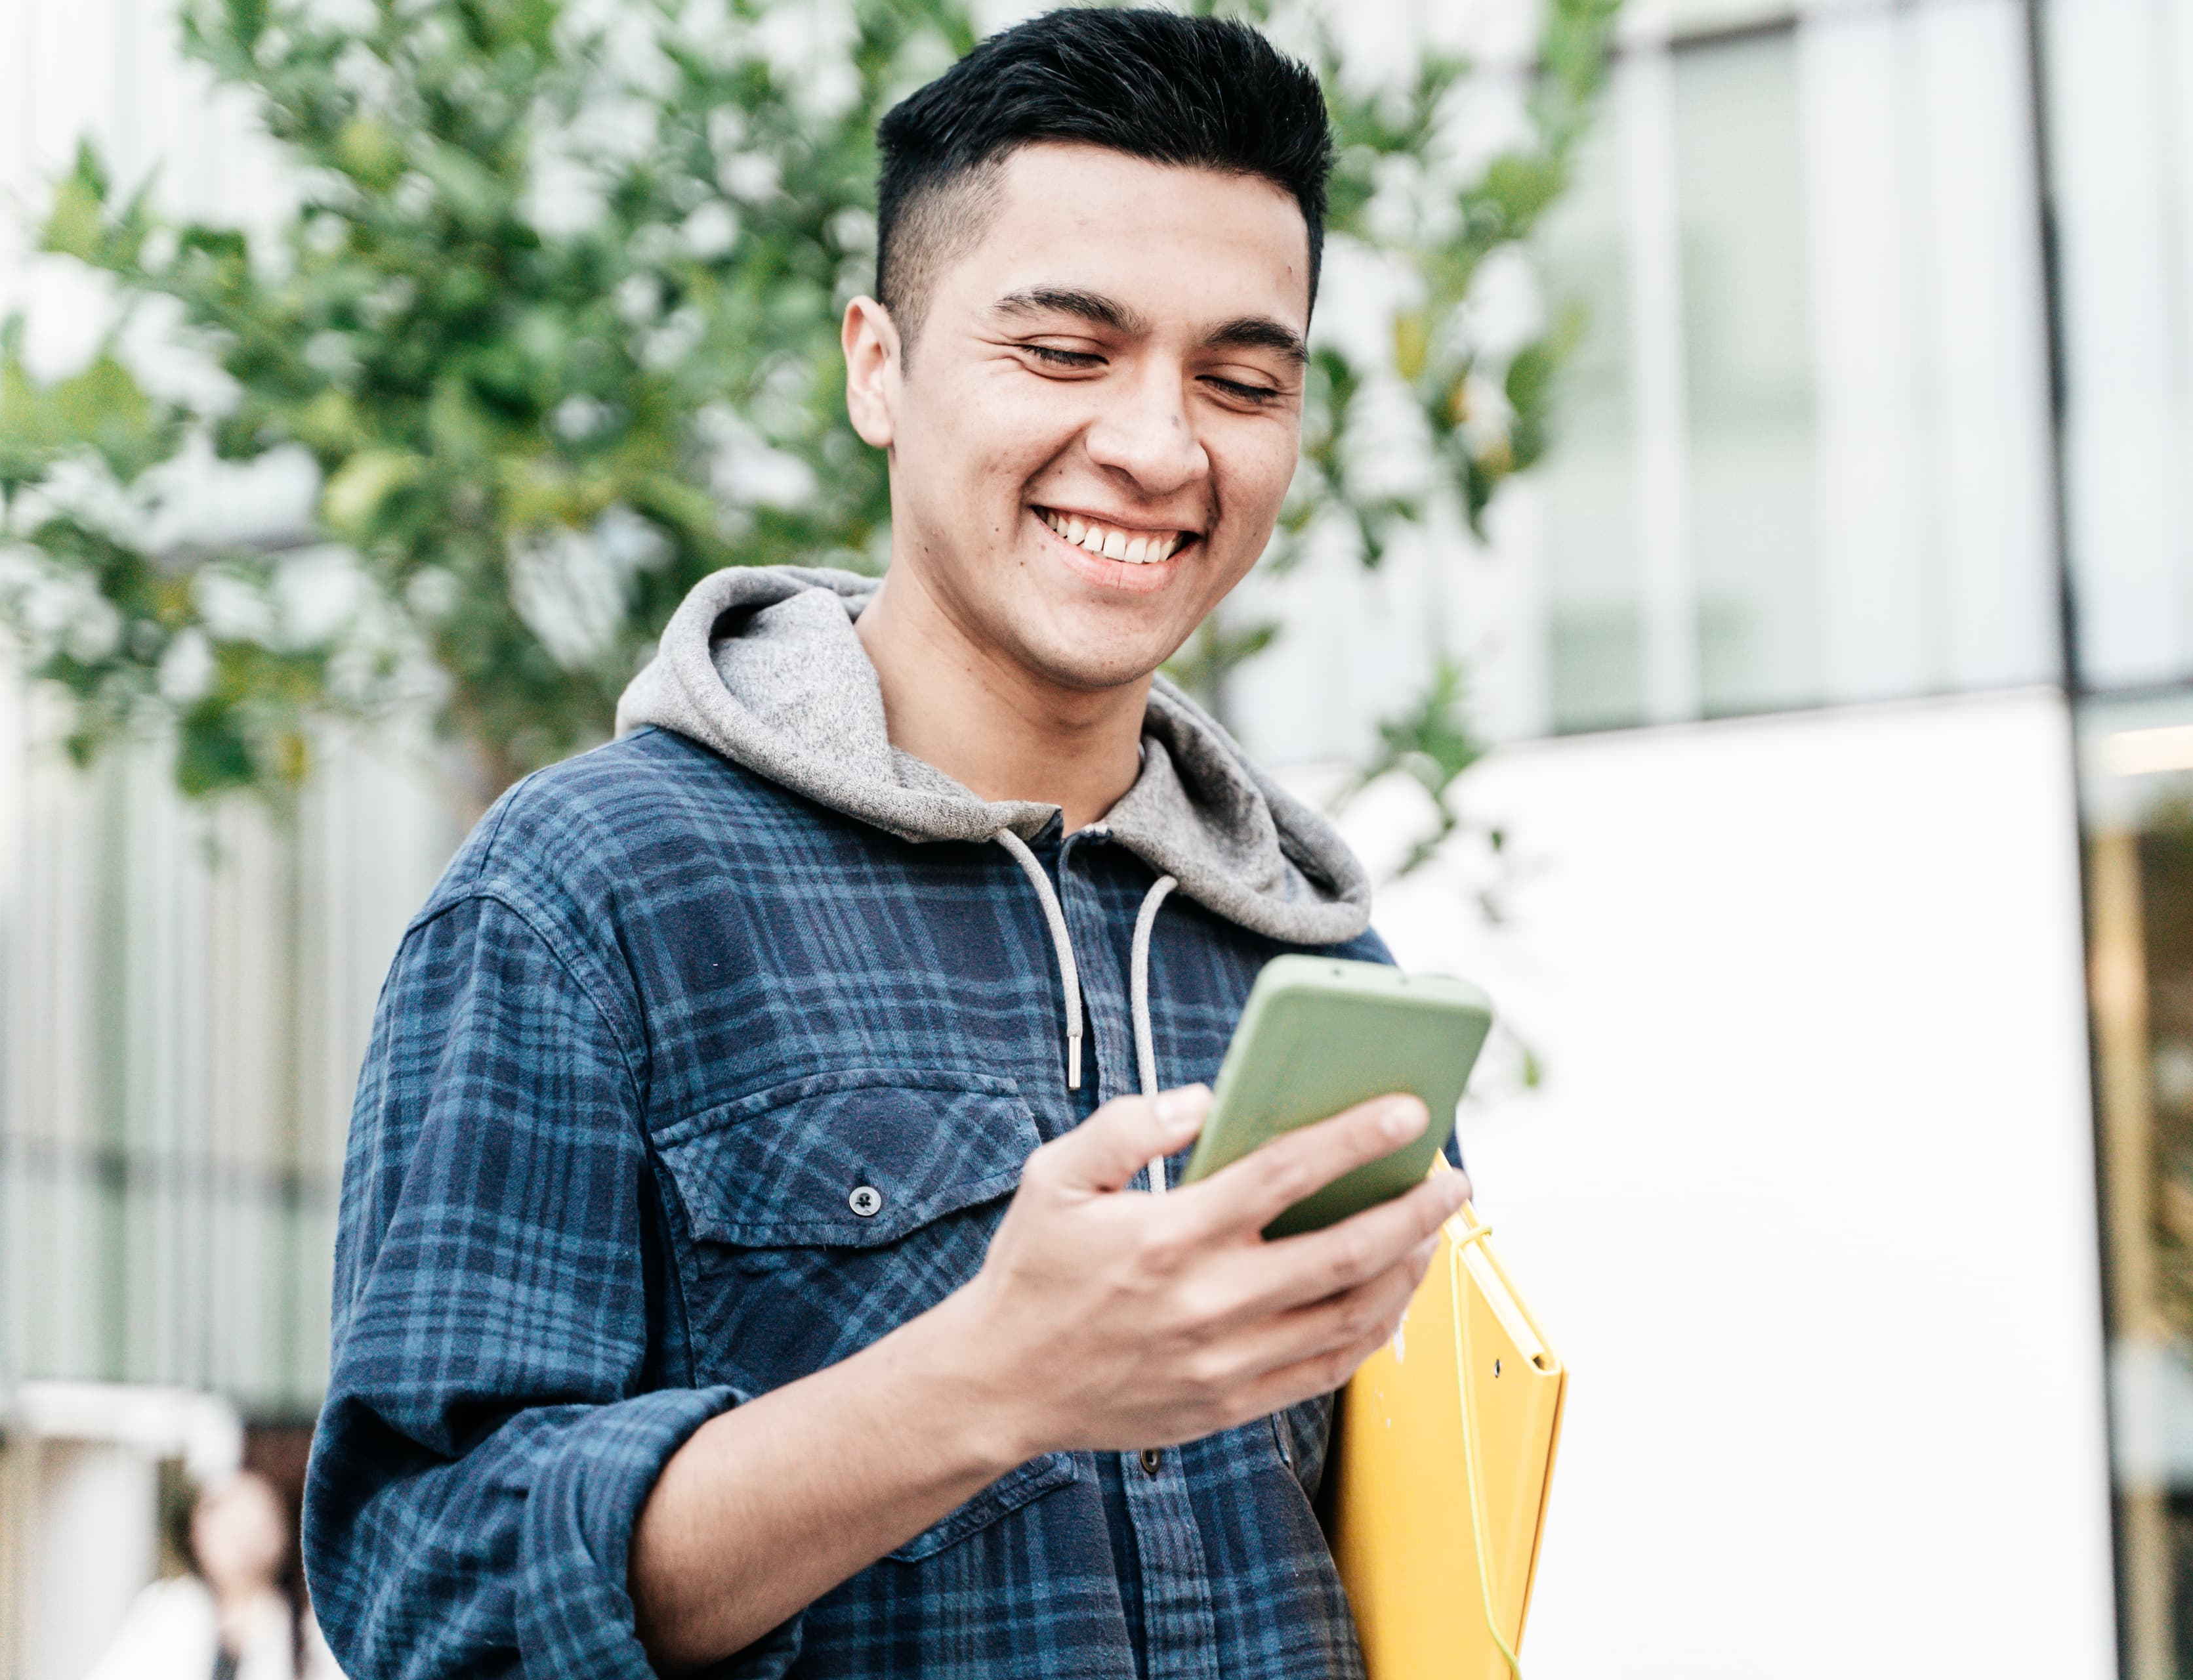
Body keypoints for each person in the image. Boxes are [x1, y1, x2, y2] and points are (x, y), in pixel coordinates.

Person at [303, 10, 1470, 1677]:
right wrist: (983, 1377)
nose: (1159, 446)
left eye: (1240, 378)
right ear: (877, 365)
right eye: (1065, 352)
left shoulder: (1313, 953)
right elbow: (431, 1592)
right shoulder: (587, 893)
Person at [85, 1471, 339, 1680]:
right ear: (195, 1533)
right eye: (226, 1523)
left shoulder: (307, 1626)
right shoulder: (167, 1609)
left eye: (254, 1523)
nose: (241, 1539)